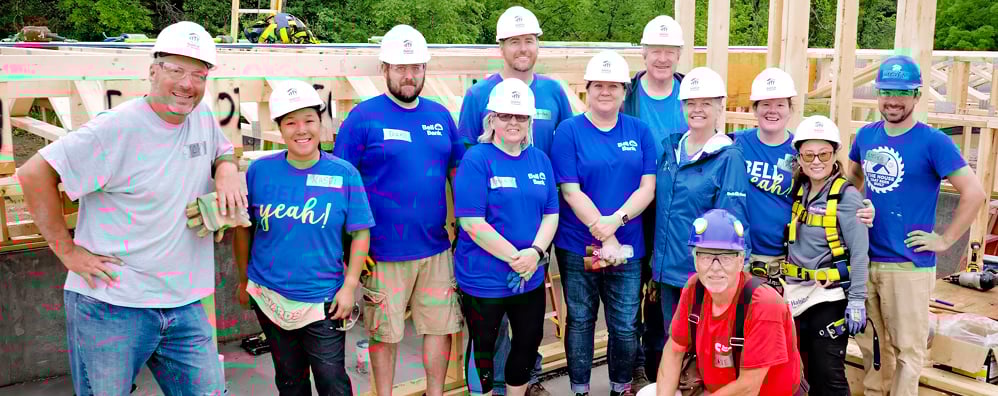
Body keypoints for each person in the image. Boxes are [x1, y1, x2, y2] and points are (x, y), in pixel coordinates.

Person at [18, 21, 239, 396]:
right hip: (113, 304)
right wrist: (67, 250)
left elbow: (222, 149)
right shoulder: (116, 128)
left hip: (183, 303)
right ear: (153, 71)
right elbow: (32, 173)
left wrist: (228, 171)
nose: (187, 84)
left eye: (198, 75)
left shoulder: (200, 117)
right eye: (176, 70)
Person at [332, 24, 466, 396]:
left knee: (440, 329)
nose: (409, 75)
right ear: (385, 69)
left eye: (416, 67)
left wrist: (466, 233)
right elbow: (341, 184)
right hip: (381, 253)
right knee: (383, 335)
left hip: (436, 249)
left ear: (425, 69)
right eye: (400, 67)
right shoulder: (363, 118)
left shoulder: (441, 117)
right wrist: (347, 249)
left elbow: (459, 176)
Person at [851, 55, 986, 396]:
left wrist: (945, 239)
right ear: (877, 94)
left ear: (916, 95)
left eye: (902, 92)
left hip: (909, 265)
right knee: (873, 349)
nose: (893, 100)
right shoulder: (865, 136)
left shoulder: (933, 142)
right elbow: (851, 178)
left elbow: (974, 193)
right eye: (886, 92)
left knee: (908, 353)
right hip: (866, 262)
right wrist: (856, 208)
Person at [233, 80, 375, 396]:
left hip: (323, 300)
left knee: (332, 381)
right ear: (280, 129)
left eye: (309, 120)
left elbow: (361, 232)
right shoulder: (260, 172)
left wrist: (350, 287)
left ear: (320, 123)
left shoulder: (344, 174)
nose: (302, 130)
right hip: (269, 295)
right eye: (291, 122)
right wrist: (243, 280)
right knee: (289, 378)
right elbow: (243, 228)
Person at [456, 7, 571, 394]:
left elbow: (552, 205)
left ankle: (524, 385)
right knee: (486, 344)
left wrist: (535, 253)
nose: (513, 123)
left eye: (520, 118)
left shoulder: (543, 141)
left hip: (532, 257)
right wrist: (516, 256)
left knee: (526, 338)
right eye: (505, 116)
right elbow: (471, 215)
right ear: (491, 118)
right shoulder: (477, 147)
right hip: (490, 266)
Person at [550, 49, 657, 396]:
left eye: (614, 86)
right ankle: (580, 389)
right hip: (577, 243)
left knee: (625, 325)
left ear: (625, 91)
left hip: (628, 246)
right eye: (599, 85)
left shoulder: (639, 131)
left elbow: (648, 187)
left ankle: (619, 387)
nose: (606, 92)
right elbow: (569, 190)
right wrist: (602, 230)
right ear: (587, 90)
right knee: (580, 320)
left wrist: (616, 222)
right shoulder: (568, 132)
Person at [733, 68, 875, 286]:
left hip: (787, 262)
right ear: (755, 109)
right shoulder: (736, 143)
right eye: (765, 104)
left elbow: (828, 190)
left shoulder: (804, 151)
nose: (773, 111)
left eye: (780, 104)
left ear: (790, 109)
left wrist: (860, 206)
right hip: (744, 257)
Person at [649, 66, 750, 369]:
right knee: (675, 344)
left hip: (703, 276)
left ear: (721, 106)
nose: (697, 109)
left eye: (706, 103)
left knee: (705, 351)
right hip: (667, 272)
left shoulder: (727, 157)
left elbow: (731, 223)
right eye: (691, 103)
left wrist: (718, 273)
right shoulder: (671, 150)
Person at [653, 209, 804, 396]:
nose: (715, 268)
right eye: (706, 257)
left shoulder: (764, 305)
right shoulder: (695, 289)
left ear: (741, 261)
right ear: (695, 260)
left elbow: (748, 388)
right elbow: (674, 350)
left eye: (725, 258)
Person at [619, 15, 688, 387]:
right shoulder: (627, 93)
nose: (662, 58)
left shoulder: (691, 91)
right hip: (635, 205)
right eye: (655, 51)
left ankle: (666, 366)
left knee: (669, 291)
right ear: (643, 53)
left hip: (678, 208)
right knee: (633, 288)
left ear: (678, 54)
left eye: (670, 51)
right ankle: (635, 367)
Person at [784, 115, 870, 396]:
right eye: (809, 154)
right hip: (797, 293)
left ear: (834, 155)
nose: (816, 161)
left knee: (828, 375)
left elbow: (859, 252)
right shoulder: (802, 189)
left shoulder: (846, 197)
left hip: (828, 298)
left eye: (824, 153)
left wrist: (857, 299)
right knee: (803, 372)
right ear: (799, 156)